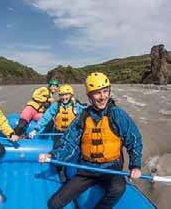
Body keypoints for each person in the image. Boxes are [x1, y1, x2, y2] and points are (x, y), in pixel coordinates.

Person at [39, 72, 143, 209]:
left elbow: (133, 139)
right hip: (87, 169)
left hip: (111, 169)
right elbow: (69, 142)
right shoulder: (82, 117)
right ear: (89, 96)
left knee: (118, 188)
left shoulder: (118, 115)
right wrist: (52, 155)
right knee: (54, 203)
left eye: (105, 91)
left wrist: (135, 165)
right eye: (97, 93)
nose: (102, 97)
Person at [30, 84, 86, 182]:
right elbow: (46, 117)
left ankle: (71, 172)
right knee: (58, 153)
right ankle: (59, 171)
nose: (64, 97)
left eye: (66, 95)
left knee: (72, 154)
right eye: (62, 95)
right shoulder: (56, 106)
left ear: (71, 95)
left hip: (71, 135)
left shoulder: (76, 106)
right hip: (58, 134)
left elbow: (87, 115)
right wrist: (36, 129)